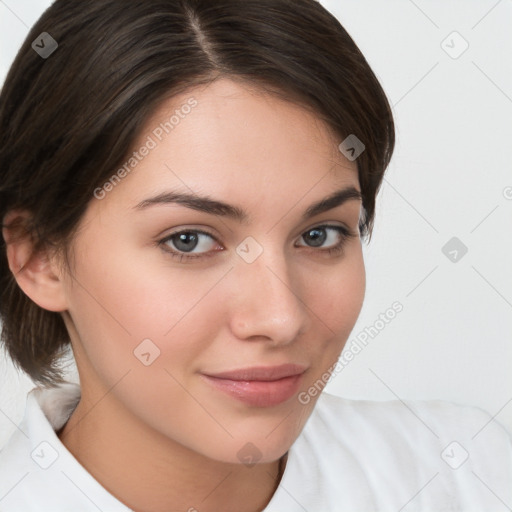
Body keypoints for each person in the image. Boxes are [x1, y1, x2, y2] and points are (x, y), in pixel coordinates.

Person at [0, 0, 510, 511]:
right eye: (189, 240)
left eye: (320, 235)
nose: (281, 318)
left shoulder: (468, 473)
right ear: (39, 258)